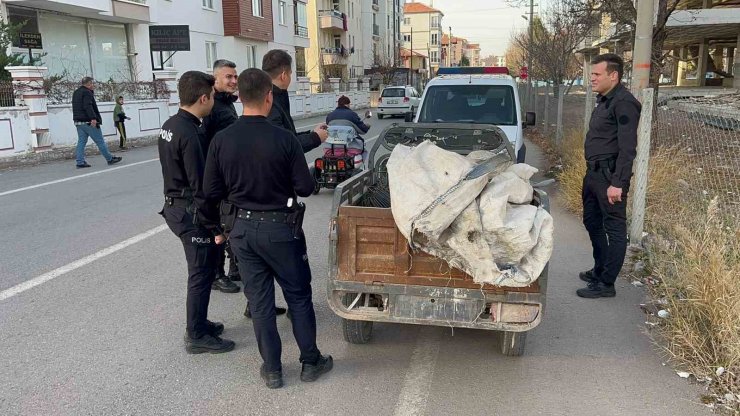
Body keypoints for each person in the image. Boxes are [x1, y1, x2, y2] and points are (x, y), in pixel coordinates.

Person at [203, 68, 332, 389]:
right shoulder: (284, 139)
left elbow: (210, 191)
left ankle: (272, 369)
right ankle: (310, 361)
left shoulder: (222, 139)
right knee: (299, 297)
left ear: (240, 97)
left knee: (259, 304)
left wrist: (217, 228)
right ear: (269, 97)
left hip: (242, 233)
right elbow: (304, 188)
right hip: (282, 230)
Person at [158, 70, 235, 354]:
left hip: (174, 206)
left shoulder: (171, 124)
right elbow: (200, 187)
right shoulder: (190, 134)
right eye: (213, 96)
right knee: (201, 273)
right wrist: (215, 227)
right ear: (203, 98)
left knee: (202, 271)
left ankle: (200, 322)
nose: (215, 101)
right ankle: (196, 334)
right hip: (190, 214)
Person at [577, 53, 641, 299]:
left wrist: (618, 183)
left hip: (609, 177)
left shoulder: (624, 103)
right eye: (591, 74)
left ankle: (606, 284)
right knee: (592, 222)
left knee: (614, 228)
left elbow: (628, 148)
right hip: (593, 174)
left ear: (613, 75)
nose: (591, 78)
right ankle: (599, 269)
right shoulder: (604, 100)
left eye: (596, 74)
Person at [201, 59, 241, 295]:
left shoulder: (227, 103)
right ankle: (217, 274)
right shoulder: (212, 106)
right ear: (215, 79)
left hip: (230, 176)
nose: (234, 81)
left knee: (233, 222)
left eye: (235, 77)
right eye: (229, 77)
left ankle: (236, 268)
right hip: (218, 177)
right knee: (219, 226)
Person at [262, 49, 329, 152]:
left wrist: (313, 133)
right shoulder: (269, 102)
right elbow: (283, 146)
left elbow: (288, 136)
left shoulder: (274, 96)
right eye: (291, 74)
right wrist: (315, 138)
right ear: (284, 76)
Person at [72, 77, 122, 168]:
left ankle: (80, 162)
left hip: (78, 122)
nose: (93, 85)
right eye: (92, 84)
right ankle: (110, 159)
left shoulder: (76, 92)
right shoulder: (87, 92)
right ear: (88, 84)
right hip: (88, 121)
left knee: (81, 142)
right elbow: (88, 106)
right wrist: (93, 118)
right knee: (100, 141)